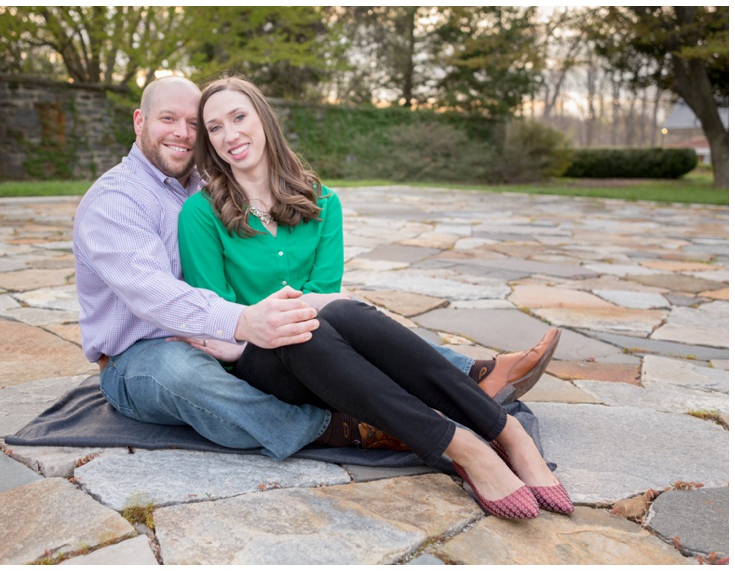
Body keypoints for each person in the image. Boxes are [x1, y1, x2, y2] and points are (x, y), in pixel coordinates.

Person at [72, 75, 558, 465]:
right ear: (140, 121)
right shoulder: (118, 200)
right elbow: (153, 294)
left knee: (346, 316)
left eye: (193, 123)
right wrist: (242, 323)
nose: (184, 132)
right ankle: (345, 429)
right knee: (183, 373)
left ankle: (470, 375)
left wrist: (278, 314)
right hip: (141, 357)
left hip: (222, 333)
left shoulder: (204, 181)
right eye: (167, 119)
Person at [177, 75, 571, 520]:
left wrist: (320, 305)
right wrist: (290, 312)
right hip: (261, 363)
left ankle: (508, 432)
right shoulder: (200, 213)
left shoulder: (322, 201)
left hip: (329, 352)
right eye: (214, 128)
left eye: (238, 117)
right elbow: (223, 317)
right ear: (208, 141)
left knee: (344, 315)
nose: (230, 135)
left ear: (263, 119)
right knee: (308, 328)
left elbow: (327, 300)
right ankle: (464, 446)